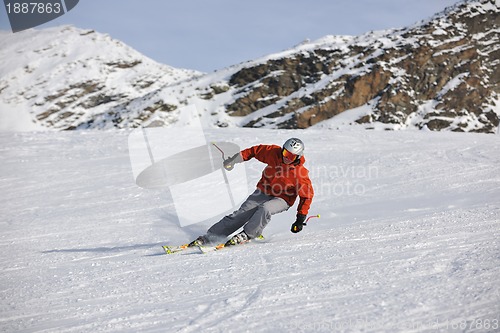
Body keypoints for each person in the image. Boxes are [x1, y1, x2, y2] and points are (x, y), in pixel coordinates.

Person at [189, 138, 314, 247]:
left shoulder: (300, 174)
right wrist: (233, 160)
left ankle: (248, 234)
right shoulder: (273, 153)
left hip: (283, 198)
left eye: (291, 156)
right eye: (285, 153)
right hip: (264, 190)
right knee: (241, 214)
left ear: (297, 157)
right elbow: (255, 151)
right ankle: (210, 236)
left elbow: (306, 196)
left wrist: (300, 218)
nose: (286, 158)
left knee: (265, 208)